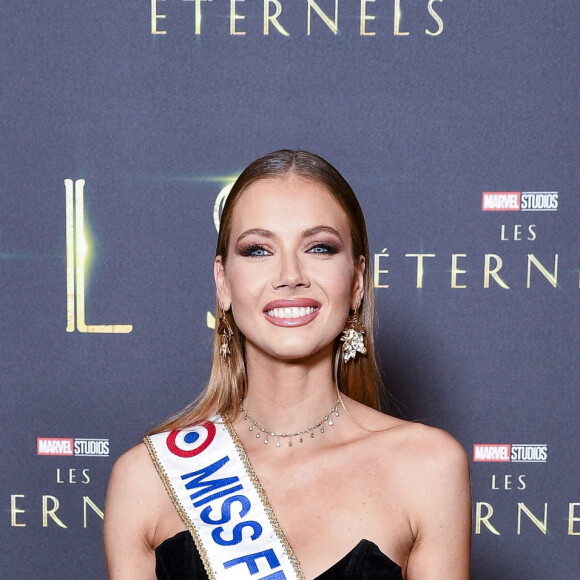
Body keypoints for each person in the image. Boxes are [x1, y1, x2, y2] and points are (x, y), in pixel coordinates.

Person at [103, 150, 471, 580]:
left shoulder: (427, 467)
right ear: (223, 282)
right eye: (259, 250)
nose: (290, 274)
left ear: (356, 282)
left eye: (319, 247)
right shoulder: (147, 479)